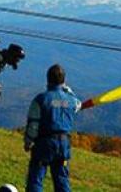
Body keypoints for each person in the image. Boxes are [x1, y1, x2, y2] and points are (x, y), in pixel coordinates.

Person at [23, 64, 82, 192]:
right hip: (64, 144)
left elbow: (33, 124)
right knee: (62, 180)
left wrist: (28, 141)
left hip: (44, 143)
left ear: (47, 79)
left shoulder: (40, 99)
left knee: (36, 179)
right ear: (63, 80)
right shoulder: (71, 101)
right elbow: (79, 104)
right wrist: (67, 90)